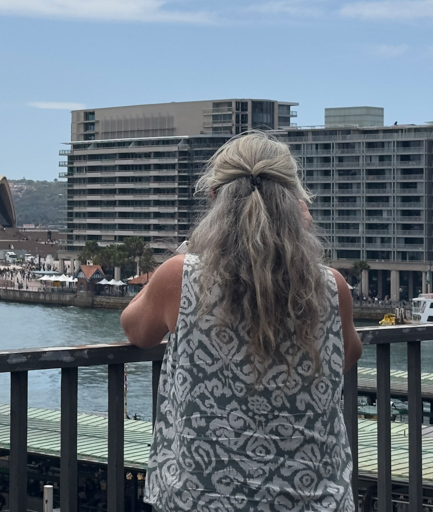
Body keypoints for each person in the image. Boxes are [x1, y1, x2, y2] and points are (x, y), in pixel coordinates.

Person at [121, 132, 362, 511]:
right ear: (297, 203)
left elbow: (135, 328)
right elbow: (346, 355)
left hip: (201, 500)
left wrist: (192, 245)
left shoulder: (181, 277)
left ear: (215, 200)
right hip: (312, 500)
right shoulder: (332, 286)